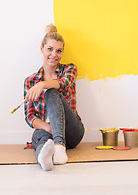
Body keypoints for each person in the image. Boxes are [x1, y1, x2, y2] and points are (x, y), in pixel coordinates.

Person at [24, 24, 85, 171]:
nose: (54, 55)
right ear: (42, 49)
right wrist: (47, 127)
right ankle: (43, 159)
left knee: (51, 91)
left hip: (71, 132)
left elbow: (64, 83)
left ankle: (59, 148)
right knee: (39, 138)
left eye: (59, 51)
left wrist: (43, 85)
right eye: (50, 49)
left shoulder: (69, 69)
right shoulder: (30, 81)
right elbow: (29, 116)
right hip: (47, 132)